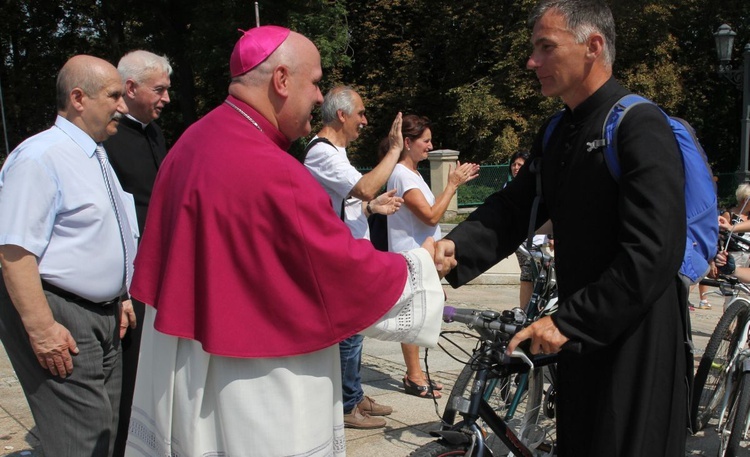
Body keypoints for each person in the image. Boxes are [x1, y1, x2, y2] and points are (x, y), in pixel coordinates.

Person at [124, 26, 446, 457]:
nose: (319, 97)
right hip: (259, 380)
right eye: (314, 82)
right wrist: (420, 263)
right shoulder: (272, 169)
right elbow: (336, 270)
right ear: (281, 80)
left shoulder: (192, 142)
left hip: (191, 360)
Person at [434, 1, 690, 455]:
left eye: (545, 47)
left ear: (593, 46)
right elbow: (515, 207)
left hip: (636, 336)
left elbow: (655, 250)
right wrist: (455, 246)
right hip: (578, 330)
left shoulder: (638, 124)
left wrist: (571, 320)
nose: (532, 62)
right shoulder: (556, 130)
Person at [0, 55, 137, 457]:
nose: (123, 106)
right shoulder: (40, 157)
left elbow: (101, 231)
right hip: (60, 312)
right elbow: (14, 251)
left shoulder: (93, 153)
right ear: (79, 98)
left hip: (103, 313)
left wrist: (121, 293)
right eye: (114, 95)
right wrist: (42, 329)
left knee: (103, 429)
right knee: (80, 435)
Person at [304, 86, 404, 429]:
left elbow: (345, 204)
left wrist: (370, 208)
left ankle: (353, 394)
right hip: (335, 260)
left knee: (355, 333)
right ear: (342, 115)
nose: (364, 120)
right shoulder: (321, 153)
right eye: (360, 113)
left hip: (347, 255)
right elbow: (364, 187)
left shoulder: (336, 153)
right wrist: (394, 151)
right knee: (348, 335)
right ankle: (347, 406)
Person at [102, 49, 172, 457]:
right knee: (130, 375)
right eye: (158, 89)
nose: (166, 98)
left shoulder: (155, 132)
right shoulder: (108, 136)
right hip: (129, 276)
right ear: (130, 88)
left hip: (159, 269)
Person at [386, 114, 479, 399]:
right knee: (412, 316)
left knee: (422, 314)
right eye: (426, 141)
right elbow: (430, 217)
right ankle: (413, 375)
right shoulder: (402, 174)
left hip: (420, 258)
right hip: (410, 257)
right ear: (408, 142)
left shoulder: (412, 174)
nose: (430, 146)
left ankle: (417, 372)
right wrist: (452, 184)